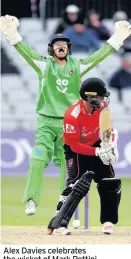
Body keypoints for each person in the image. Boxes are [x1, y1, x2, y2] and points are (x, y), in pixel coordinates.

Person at [0, 15, 130, 216]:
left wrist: (116, 40)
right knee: (38, 158)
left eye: (64, 44)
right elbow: (25, 51)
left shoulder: (77, 66)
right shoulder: (44, 65)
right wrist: (12, 35)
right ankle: (31, 201)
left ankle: (64, 209)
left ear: (69, 48)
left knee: (68, 167)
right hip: (45, 121)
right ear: (51, 49)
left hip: (69, 123)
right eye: (56, 44)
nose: (60, 47)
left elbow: (98, 56)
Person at [47, 78, 121, 235]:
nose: (103, 99)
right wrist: (97, 152)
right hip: (76, 150)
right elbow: (73, 145)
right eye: (100, 96)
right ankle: (59, 222)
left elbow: (108, 129)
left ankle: (108, 222)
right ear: (89, 96)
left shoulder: (102, 108)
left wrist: (111, 145)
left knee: (110, 182)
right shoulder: (72, 116)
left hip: (95, 144)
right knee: (76, 185)